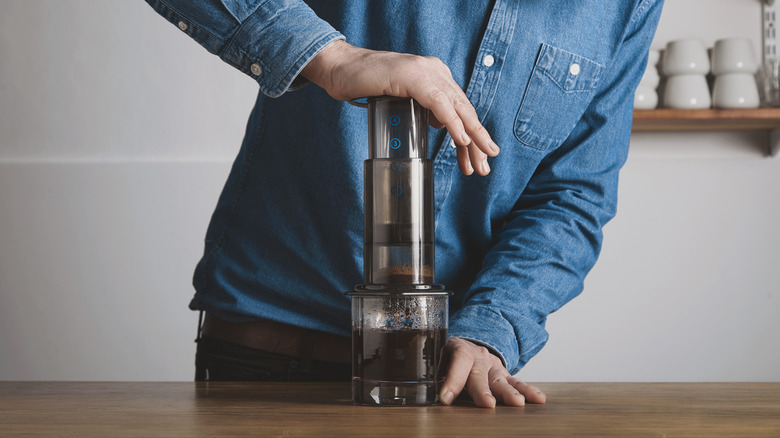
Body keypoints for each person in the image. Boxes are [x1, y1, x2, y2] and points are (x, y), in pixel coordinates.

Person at [144, 0, 663, 407]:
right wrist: (335, 59)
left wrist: (491, 328)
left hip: (439, 379)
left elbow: (572, 195)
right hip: (269, 352)